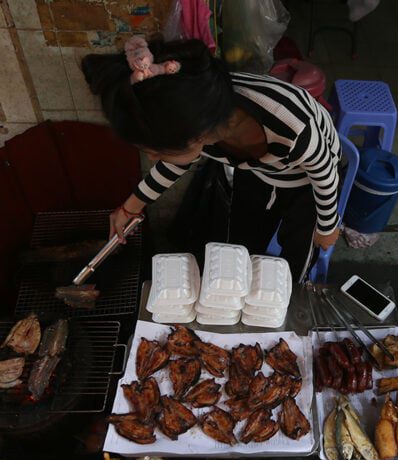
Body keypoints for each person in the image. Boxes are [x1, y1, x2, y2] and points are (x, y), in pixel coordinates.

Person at [82, 37, 341, 280]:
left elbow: (325, 175)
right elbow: (176, 161)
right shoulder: (200, 120)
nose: (152, 158)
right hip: (255, 168)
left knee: (299, 249)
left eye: (156, 151)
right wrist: (129, 208)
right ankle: (243, 281)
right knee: (242, 238)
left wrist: (327, 227)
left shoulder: (293, 125)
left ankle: (291, 287)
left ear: (196, 135)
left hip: (305, 179)